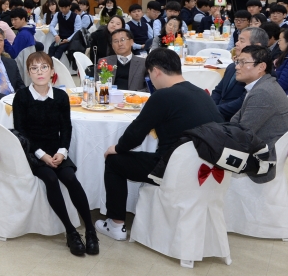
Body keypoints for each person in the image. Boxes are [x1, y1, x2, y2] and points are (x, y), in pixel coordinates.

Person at [95, 48, 224, 240]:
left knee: (114, 161)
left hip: (175, 169)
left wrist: (117, 148)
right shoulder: (200, 93)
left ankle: (115, 224)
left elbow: (135, 134)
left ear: (155, 71)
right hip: (205, 164)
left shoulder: (163, 95)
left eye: (149, 74)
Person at [11, 52, 98, 256]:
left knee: (69, 177)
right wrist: (41, 155)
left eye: (44, 67)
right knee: (50, 178)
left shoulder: (60, 96)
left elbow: (66, 128)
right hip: (32, 151)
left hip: (56, 148)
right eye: (34, 68)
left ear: (52, 71)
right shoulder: (22, 97)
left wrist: (62, 151)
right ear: (28, 72)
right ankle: (70, 231)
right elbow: (21, 132)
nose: (39, 72)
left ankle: (91, 231)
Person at [230, 45, 288, 183]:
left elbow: (242, 135)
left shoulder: (262, 92)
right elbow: (236, 120)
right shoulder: (264, 84)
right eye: (237, 61)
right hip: (264, 147)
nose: (237, 67)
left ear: (261, 67)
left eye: (243, 62)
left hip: (260, 161)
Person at [212, 26, 269, 121]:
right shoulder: (231, 66)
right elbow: (218, 91)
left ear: (256, 46)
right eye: (238, 40)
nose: (236, 44)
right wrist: (211, 107)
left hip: (236, 120)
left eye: (242, 41)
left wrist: (212, 110)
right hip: (219, 114)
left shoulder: (261, 71)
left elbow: (243, 102)